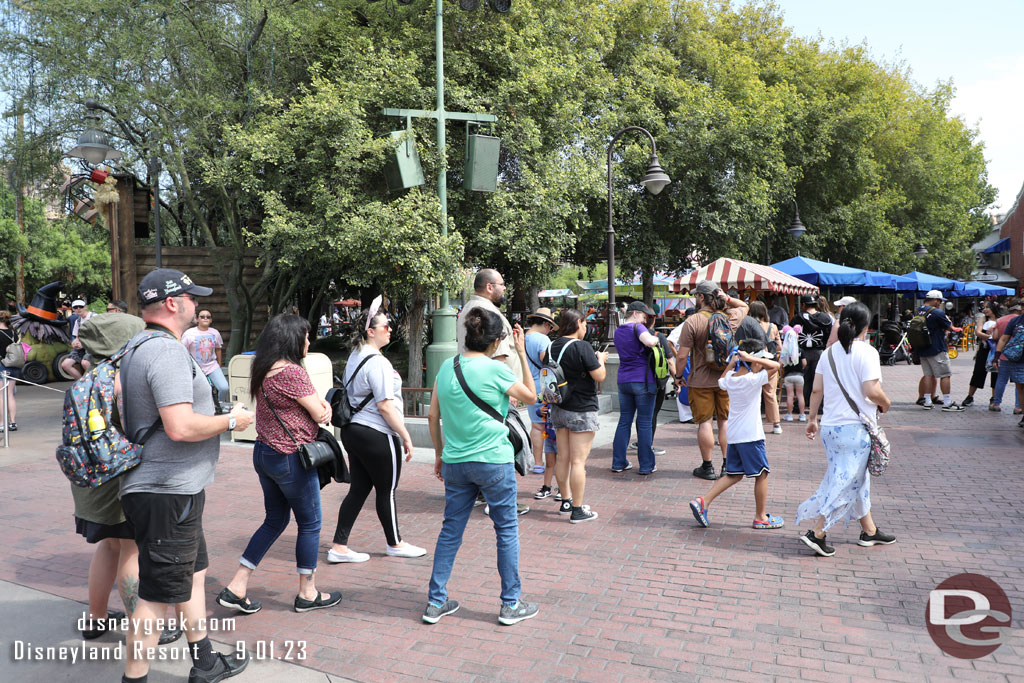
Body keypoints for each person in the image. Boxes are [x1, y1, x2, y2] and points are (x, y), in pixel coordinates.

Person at [118, 268, 255, 683]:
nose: (198, 306)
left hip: (171, 489)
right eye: (193, 298)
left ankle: (205, 662)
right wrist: (230, 421)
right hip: (166, 493)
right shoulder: (167, 351)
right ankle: (134, 678)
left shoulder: (141, 345)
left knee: (192, 575)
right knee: (155, 599)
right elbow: (179, 426)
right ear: (173, 303)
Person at [217, 313, 342, 619]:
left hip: (264, 453)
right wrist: (324, 406)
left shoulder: (262, 368)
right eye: (306, 336)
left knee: (274, 520)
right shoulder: (292, 373)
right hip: (290, 458)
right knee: (310, 523)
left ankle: (237, 584)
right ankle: (307, 592)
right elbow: (320, 414)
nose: (308, 342)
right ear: (292, 339)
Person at [71, 313, 184, 646]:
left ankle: (96, 618)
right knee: (132, 550)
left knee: (108, 546)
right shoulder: (120, 382)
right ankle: (142, 625)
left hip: (89, 483)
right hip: (117, 483)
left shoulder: (88, 379)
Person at [424, 308, 539, 625]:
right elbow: (530, 396)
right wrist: (521, 353)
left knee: (450, 532)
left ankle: (436, 601)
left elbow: (433, 416)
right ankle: (510, 604)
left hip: (456, 463)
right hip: (493, 461)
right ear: (495, 341)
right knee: (506, 531)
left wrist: (439, 453)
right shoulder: (496, 370)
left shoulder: (447, 367)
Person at [796, 302, 895, 557]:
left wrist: (811, 418)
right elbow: (871, 391)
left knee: (853, 477)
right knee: (846, 481)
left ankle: (869, 531)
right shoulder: (868, 352)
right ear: (866, 326)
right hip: (855, 430)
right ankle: (818, 533)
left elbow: (816, 390)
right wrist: (886, 402)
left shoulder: (828, 353)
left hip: (830, 427)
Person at [329, 299, 423, 563]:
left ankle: (339, 546)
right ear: (371, 331)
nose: (389, 330)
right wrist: (405, 435)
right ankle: (395, 543)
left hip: (354, 431)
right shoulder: (378, 362)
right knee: (387, 490)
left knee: (359, 489)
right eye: (385, 326)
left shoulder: (356, 356)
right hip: (377, 433)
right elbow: (385, 406)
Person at [689, 339, 784, 530]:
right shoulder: (752, 379)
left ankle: (703, 501)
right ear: (755, 361)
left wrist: (733, 363)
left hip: (734, 435)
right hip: (751, 436)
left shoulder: (731, 378)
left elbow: (721, 382)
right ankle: (760, 517)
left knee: (734, 475)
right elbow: (777, 365)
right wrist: (750, 358)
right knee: (762, 474)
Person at [457, 268, 529, 515]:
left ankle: (481, 494)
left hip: (476, 391)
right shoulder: (487, 313)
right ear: (489, 287)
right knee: (504, 445)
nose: (505, 288)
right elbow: (497, 358)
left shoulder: (468, 310)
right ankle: (497, 500)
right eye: (501, 284)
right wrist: (509, 391)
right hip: (495, 393)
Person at [674, 281, 748, 480]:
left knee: (705, 422)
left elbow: (682, 357)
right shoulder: (727, 318)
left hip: (700, 381)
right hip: (725, 379)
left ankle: (707, 467)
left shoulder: (693, 321)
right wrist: (727, 297)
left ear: (700, 297)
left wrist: (679, 377)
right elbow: (745, 306)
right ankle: (727, 464)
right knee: (724, 422)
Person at [545, 309, 607, 520]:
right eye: (585, 323)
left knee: (563, 457)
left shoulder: (551, 346)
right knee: (579, 462)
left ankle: (566, 501)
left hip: (559, 408)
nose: (586, 327)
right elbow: (599, 376)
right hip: (581, 409)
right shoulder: (582, 346)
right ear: (578, 323)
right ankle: (578, 510)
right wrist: (602, 360)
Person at [612, 301, 660, 475]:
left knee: (624, 421)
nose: (645, 320)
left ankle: (618, 462)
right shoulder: (638, 328)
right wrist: (656, 338)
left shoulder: (618, 331)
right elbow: (649, 342)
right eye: (644, 316)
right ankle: (646, 465)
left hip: (623, 380)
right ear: (635, 313)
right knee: (645, 422)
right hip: (643, 380)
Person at [523, 308, 559, 498]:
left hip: (527, 385)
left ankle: (537, 463)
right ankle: (551, 462)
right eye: (550, 327)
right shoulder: (542, 340)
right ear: (546, 324)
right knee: (547, 425)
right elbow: (549, 363)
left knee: (535, 426)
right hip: (543, 386)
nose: (550, 331)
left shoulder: (524, 337)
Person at [914, 290, 965, 411]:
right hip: (936, 348)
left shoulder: (919, 311)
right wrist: (948, 320)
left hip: (922, 348)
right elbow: (950, 327)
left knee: (928, 375)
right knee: (945, 375)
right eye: (940, 301)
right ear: (936, 300)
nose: (941, 303)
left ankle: (927, 401)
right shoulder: (937, 313)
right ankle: (947, 403)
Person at [790, 294, 833, 412]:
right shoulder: (826, 318)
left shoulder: (797, 318)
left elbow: (791, 335)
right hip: (819, 352)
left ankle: (801, 405)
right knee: (819, 379)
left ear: (803, 305)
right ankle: (820, 406)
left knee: (803, 379)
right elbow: (829, 336)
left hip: (802, 353)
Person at [747, 301, 783, 434]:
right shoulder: (772, 326)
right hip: (770, 363)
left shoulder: (749, 325)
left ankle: (752, 422)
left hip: (755, 362)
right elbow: (779, 346)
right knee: (770, 393)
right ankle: (776, 424)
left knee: (752, 393)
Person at [182, 309, 229, 407]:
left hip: (212, 366)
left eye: (208, 317)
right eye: (202, 316)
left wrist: (219, 364)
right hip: (195, 367)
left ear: (211, 320)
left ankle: (219, 406)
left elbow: (218, 349)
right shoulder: (189, 334)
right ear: (197, 319)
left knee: (224, 387)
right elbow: (183, 350)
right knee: (198, 391)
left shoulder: (215, 333)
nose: (205, 318)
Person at [989, 300, 1022, 413]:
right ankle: (1018, 406)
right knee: (1020, 383)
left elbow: (997, 337)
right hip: (1019, 357)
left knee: (1002, 380)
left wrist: (996, 356)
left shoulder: (1002, 320)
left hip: (1006, 354)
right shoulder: (1017, 320)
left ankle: (996, 403)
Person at [963, 303, 999, 407]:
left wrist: (994, 335)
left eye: (988, 307)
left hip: (996, 350)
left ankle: (994, 397)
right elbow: (977, 332)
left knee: (995, 373)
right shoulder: (983, 319)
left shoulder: (1000, 319)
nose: (986, 310)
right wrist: (990, 336)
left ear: (994, 309)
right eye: (985, 308)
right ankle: (970, 396)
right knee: (978, 371)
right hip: (984, 349)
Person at [993, 311, 1024, 428]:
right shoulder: (1015, 321)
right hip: (1018, 359)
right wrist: (997, 356)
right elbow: (1003, 339)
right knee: (1021, 387)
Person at [60, 299, 93, 380]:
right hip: (82, 347)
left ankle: (95, 382)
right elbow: (76, 337)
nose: (78, 309)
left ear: (85, 307)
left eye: (80, 307)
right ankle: (82, 383)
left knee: (85, 363)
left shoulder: (94, 317)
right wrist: (75, 342)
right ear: (73, 309)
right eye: (76, 307)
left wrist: (84, 343)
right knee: (65, 364)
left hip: (93, 346)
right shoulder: (78, 321)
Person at [779, 324, 806, 423]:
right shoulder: (800, 350)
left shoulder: (784, 351)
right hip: (799, 375)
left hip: (788, 376)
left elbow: (780, 364)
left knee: (790, 395)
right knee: (800, 395)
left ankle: (789, 415)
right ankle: (802, 415)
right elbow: (804, 363)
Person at [0, 310, 18, 432]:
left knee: (0, 395)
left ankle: (2, 423)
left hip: (1, 365)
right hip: (14, 365)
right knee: (10, 394)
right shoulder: (13, 332)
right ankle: (12, 422)